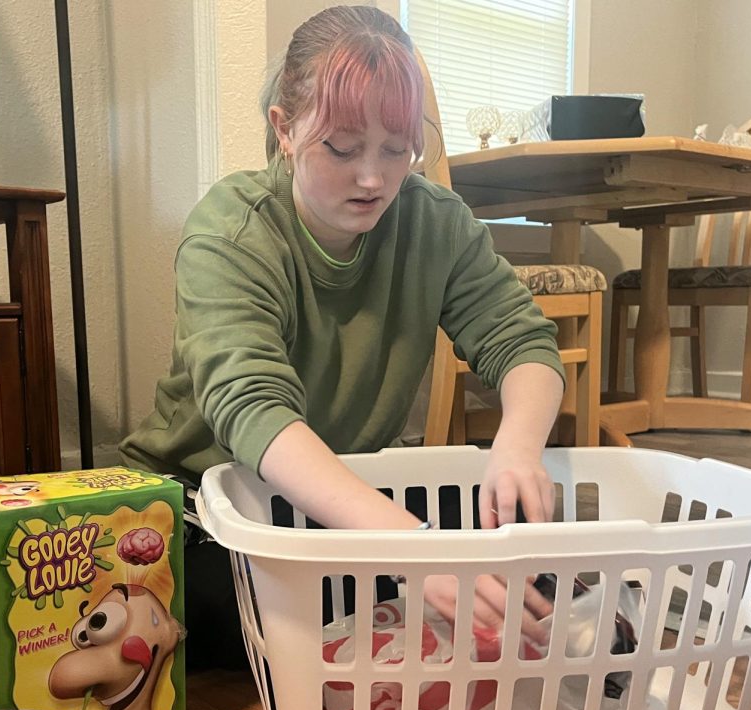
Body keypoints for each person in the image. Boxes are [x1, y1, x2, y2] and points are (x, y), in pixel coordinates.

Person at [120, 5, 563, 668]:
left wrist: (518, 448)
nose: (373, 178)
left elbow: (521, 340)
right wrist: (412, 551)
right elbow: (253, 409)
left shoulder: (432, 220)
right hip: (197, 507)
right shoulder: (232, 230)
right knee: (288, 615)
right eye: (343, 147)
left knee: (516, 565)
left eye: (397, 149)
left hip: (342, 495)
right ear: (286, 129)